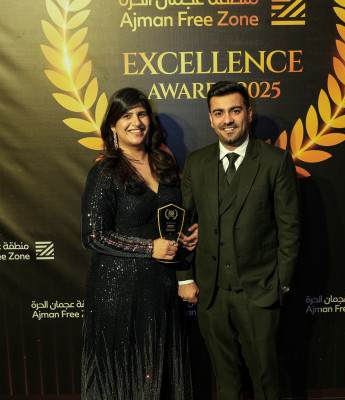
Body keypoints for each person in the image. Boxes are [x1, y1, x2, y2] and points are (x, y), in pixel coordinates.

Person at [177, 81, 301, 399]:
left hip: (259, 291)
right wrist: (185, 277)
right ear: (210, 119)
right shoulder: (196, 162)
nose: (227, 120)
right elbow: (184, 224)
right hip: (211, 292)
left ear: (248, 112)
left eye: (234, 110)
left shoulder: (275, 161)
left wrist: (281, 284)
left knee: (266, 379)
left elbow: (290, 228)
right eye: (219, 113)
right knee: (224, 380)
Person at [81, 87, 194, 400]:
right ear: (113, 126)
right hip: (118, 291)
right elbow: (93, 236)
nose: (136, 122)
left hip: (162, 287)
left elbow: (173, 217)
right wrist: (149, 248)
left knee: (161, 370)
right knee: (124, 376)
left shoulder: (166, 164)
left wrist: (189, 233)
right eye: (126, 116)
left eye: (142, 114)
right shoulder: (105, 170)